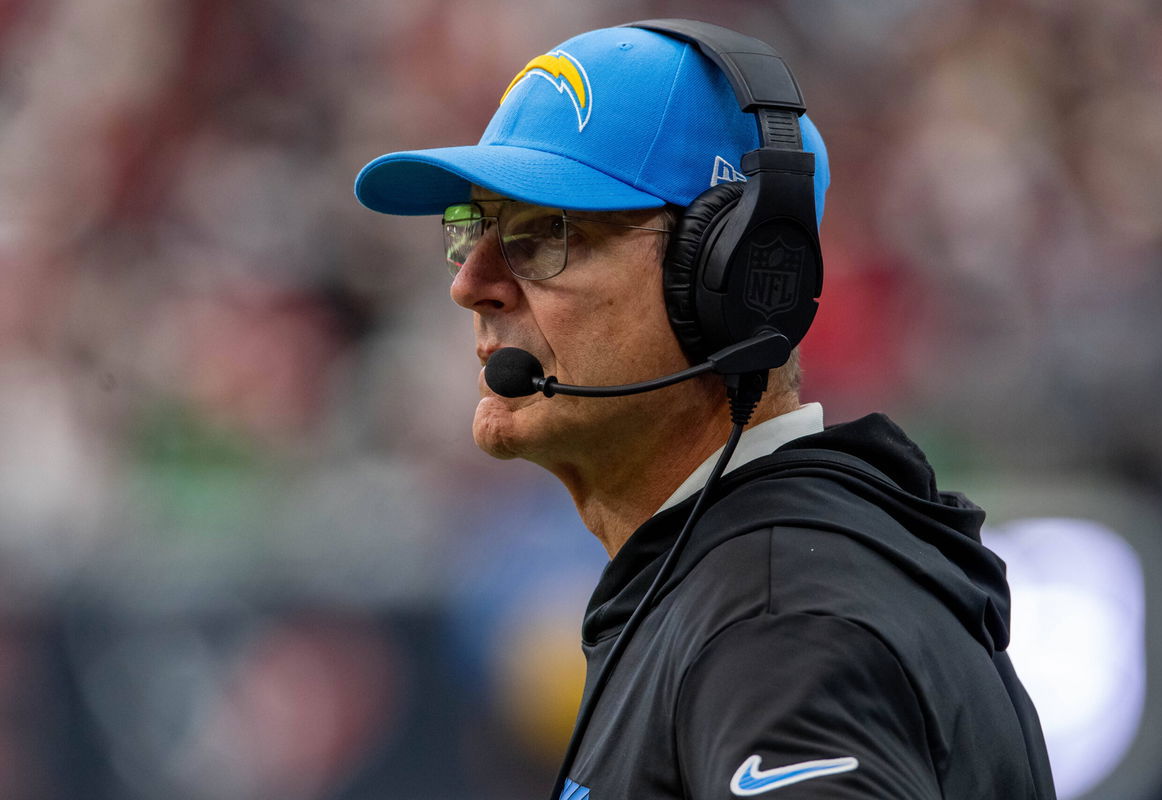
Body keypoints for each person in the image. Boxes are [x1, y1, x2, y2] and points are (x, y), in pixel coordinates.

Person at [355, 18, 1056, 800]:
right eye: (471, 231)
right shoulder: (734, 584)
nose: (469, 284)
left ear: (734, 277)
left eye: (543, 233)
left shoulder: (780, 620)